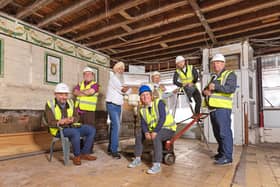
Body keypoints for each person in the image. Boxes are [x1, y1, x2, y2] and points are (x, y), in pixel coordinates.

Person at [128, 85, 177, 174]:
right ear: (141, 98)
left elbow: (162, 118)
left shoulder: (159, 103)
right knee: (139, 134)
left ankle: (156, 164)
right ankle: (137, 158)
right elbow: (143, 123)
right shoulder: (142, 109)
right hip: (154, 129)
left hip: (168, 129)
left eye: (147, 94)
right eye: (143, 95)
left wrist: (155, 131)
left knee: (156, 137)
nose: (145, 97)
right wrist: (146, 132)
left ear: (151, 95)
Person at [44, 83, 97, 165]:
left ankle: (84, 153)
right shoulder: (50, 104)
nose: (64, 97)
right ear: (55, 94)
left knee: (91, 129)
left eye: (66, 94)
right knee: (75, 132)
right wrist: (61, 121)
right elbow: (50, 122)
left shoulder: (71, 102)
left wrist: (73, 119)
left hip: (71, 126)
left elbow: (77, 117)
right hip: (58, 130)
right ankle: (77, 156)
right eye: (61, 94)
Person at [202, 53, 237, 165]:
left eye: (218, 62)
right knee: (217, 133)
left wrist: (215, 87)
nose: (215, 65)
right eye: (214, 63)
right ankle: (221, 153)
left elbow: (230, 89)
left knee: (224, 132)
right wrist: (205, 92)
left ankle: (227, 157)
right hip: (213, 109)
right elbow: (206, 89)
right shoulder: (214, 77)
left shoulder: (230, 74)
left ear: (223, 63)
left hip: (222, 108)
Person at [106, 61, 131, 159]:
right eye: (120, 69)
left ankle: (110, 148)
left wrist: (127, 89)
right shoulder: (114, 78)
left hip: (118, 105)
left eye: (123, 69)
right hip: (112, 104)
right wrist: (127, 89)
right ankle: (114, 151)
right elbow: (124, 90)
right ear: (115, 69)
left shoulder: (121, 80)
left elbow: (127, 90)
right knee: (116, 126)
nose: (122, 71)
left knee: (114, 126)